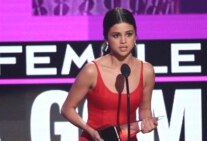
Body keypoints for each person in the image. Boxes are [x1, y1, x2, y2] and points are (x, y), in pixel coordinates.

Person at [61, 7, 158, 141]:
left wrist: (146, 122)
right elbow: (67, 109)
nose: (123, 41)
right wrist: (91, 131)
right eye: (116, 35)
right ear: (106, 38)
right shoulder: (92, 70)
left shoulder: (146, 70)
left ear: (136, 35)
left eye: (129, 34)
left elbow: (144, 109)